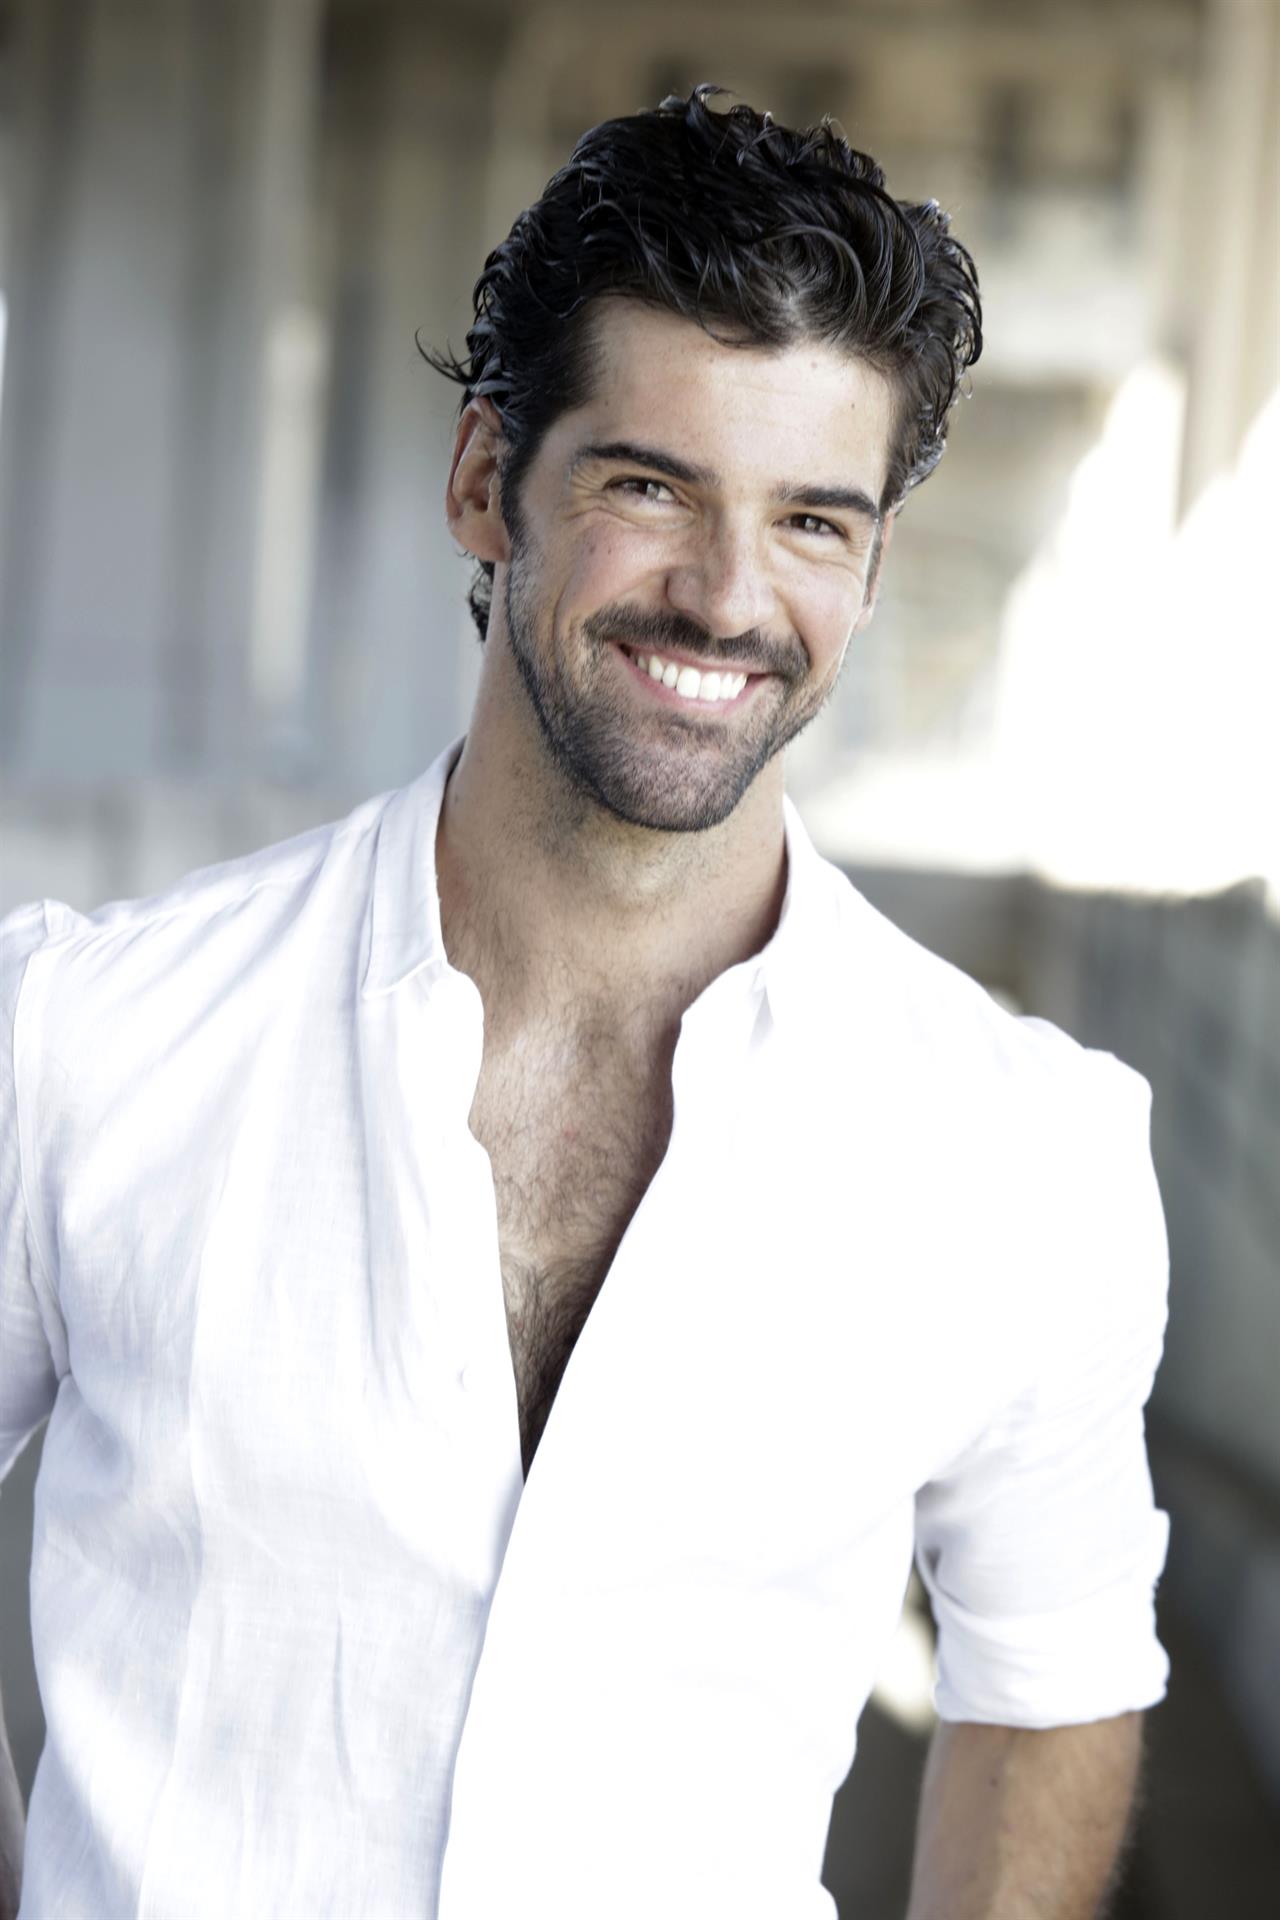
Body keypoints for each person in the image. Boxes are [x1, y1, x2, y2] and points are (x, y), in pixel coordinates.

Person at [0, 84, 1170, 1920]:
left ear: (872, 568)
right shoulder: (89, 1040)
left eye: (812, 520)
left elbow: (1054, 1678)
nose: (727, 597)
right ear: (487, 483)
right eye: (650, 486)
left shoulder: (1028, 1152)